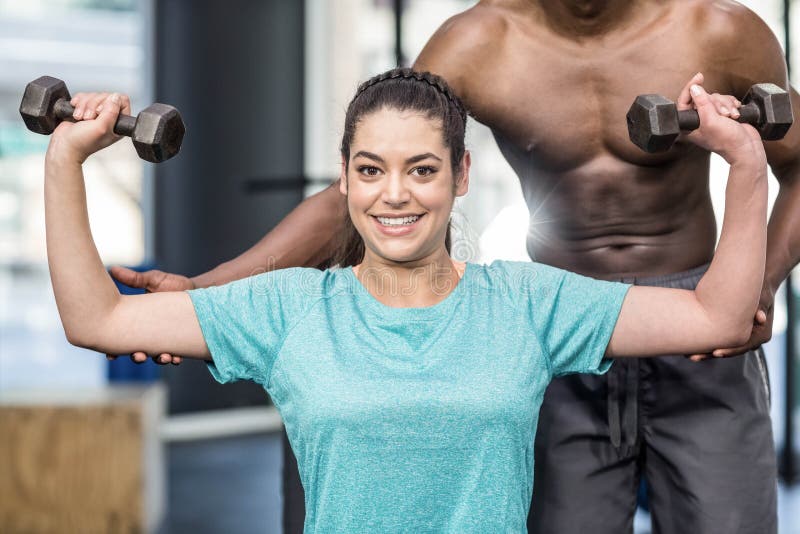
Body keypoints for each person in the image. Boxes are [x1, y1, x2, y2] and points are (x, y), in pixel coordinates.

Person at [109, 2, 800, 532]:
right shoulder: (480, 42)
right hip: (556, 333)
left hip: (698, 329)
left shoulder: (720, 31)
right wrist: (210, 288)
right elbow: (362, 184)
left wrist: (759, 285)